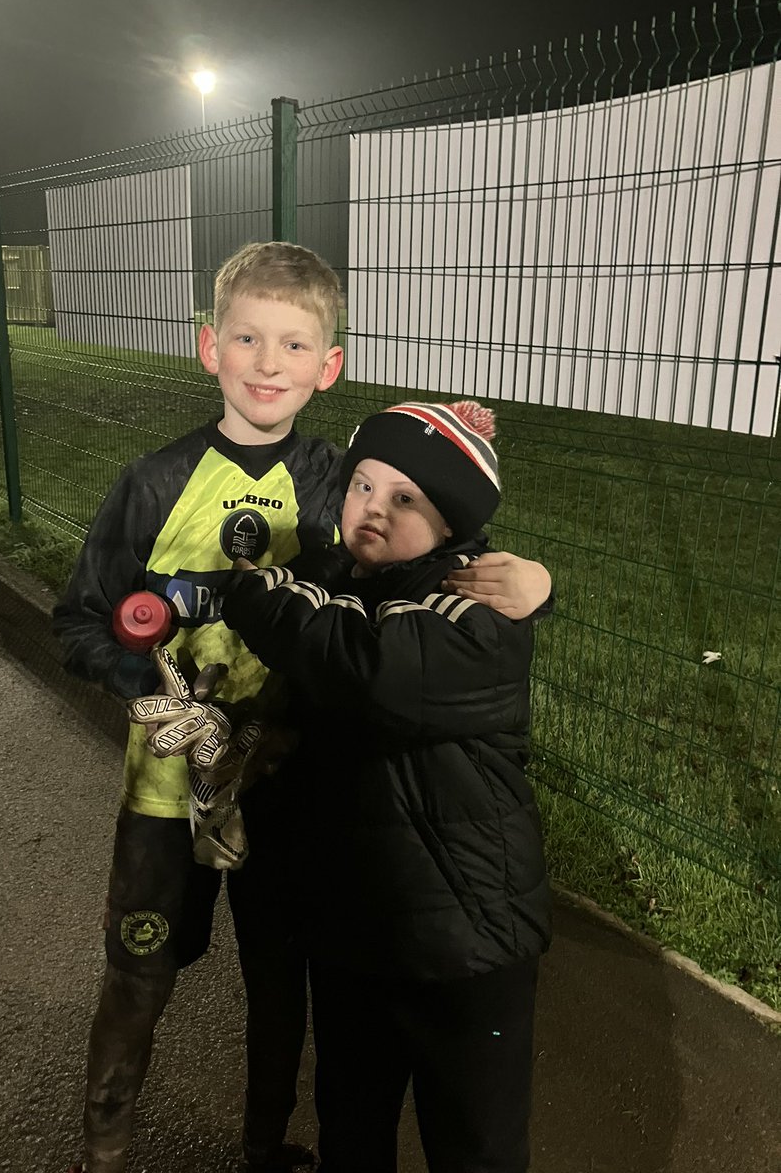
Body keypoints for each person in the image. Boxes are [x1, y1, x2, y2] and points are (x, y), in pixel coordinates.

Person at [53, 242, 552, 1173]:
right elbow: (81, 619)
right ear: (210, 347)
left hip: (287, 797)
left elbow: (427, 562)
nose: (268, 363)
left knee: (283, 983)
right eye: (247, 338)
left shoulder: (339, 480)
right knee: (140, 969)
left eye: (293, 344)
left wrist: (537, 584)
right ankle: (103, 1148)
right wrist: (147, 690)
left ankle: (265, 1145)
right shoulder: (155, 482)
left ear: (328, 366)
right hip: (166, 795)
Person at [221, 399, 552, 1173]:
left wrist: (252, 593)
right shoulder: (345, 580)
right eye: (363, 485)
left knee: (475, 1145)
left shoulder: (482, 613)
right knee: (351, 1126)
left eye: (406, 499)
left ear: (451, 526)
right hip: (358, 932)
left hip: (467, 944)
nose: (373, 509)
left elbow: (367, 665)